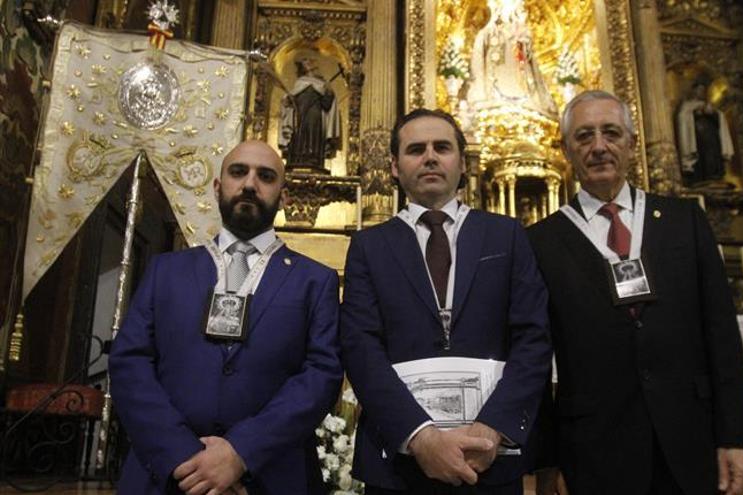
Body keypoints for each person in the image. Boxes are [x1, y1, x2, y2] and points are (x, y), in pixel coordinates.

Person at [528, 90, 743, 495]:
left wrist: (735, 437)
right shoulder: (539, 241)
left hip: (691, 438)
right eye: (584, 136)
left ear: (632, 143)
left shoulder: (684, 220)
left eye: (611, 133)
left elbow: (720, 333)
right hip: (594, 449)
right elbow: (534, 360)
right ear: (566, 150)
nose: (599, 147)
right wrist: (547, 459)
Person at [109, 140, 343, 494]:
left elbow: (322, 375)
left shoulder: (315, 281)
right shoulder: (166, 270)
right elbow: (130, 362)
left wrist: (240, 453)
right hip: (165, 476)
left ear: (283, 196)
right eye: (238, 172)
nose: (250, 184)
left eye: (265, 176)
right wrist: (185, 457)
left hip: (270, 475)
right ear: (218, 188)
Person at [340, 109, 552, 494]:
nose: (430, 157)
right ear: (394, 166)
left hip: (489, 458)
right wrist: (419, 437)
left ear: (462, 163)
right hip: (399, 465)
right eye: (415, 149)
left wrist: (493, 429)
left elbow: (533, 337)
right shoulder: (368, 246)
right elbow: (359, 345)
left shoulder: (506, 236)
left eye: (442, 147)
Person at [467, 0, 557, 118]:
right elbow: (478, 60)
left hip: (520, 78)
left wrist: (524, 43)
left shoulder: (522, 32)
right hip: (495, 82)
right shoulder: (488, 33)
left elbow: (529, 62)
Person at [279, 57, 342, 171]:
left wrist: (328, 92)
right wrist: (288, 100)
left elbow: (327, 104)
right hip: (300, 114)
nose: (310, 64)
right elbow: (291, 100)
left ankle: (313, 159)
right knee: (298, 135)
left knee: (314, 135)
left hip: (315, 114)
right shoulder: (300, 82)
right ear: (303, 68)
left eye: (310, 62)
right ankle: (296, 159)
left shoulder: (322, 83)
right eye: (306, 63)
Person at [676, 78, 734, 183]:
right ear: (694, 91)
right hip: (697, 138)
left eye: (703, 90)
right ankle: (701, 177)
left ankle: (715, 175)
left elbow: (719, 119)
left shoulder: (709, 105)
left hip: (712, 137)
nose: (701, 93)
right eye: (699, 90)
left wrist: (712, 114)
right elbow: (682, 118)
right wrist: (695, 114)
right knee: (702, 157)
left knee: (713, 156)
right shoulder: (687, 105)